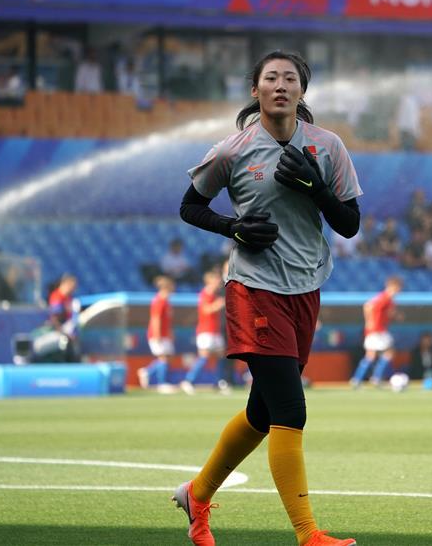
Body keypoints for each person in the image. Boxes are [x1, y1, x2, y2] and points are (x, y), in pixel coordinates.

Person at [176, 51, 361, 546]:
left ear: (303, 91)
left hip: (306, 287)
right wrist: (232, 226)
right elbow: (190, 206)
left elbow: (349, 224)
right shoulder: (232, 150)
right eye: (271, 78)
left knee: (263, 411)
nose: (281, 85)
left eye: (291, 78)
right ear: (254, 88)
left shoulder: (328, 146)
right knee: (290, 409)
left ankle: (198, 494)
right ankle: (308, 534)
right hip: (253, 288)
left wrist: (317, 188)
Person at [181, 270, 229, 395]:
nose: (219, 282)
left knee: (220, 356)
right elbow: (206, 310)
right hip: (206, 331)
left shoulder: (214, 295)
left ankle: (218, 382)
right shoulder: (205, 294)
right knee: (204, 356)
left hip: (215, 330)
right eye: (217, 280)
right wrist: (218, 305)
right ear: (210, 281)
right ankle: (188, 381)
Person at [349, 276, 403, 389]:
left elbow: (384, 313)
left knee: (371, 355)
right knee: (389, 352)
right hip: (377, 330)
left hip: (375, 329)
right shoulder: (385, 298)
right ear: (393, 287)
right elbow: (368, 306)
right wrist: (370, 321)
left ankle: (357, 380)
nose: (398, 291)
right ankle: (376, 378)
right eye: (398, 289)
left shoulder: (387, 299)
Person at [137, 275, 176, 392]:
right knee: (163, 358)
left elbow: (167, 320)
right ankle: (161, 383)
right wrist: (157, 334)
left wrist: (169, 333)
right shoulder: (159, 301)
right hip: (158, 334)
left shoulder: (166, 302)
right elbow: (155, 319)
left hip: (165, 334)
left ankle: (147, 372)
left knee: (167, 358)